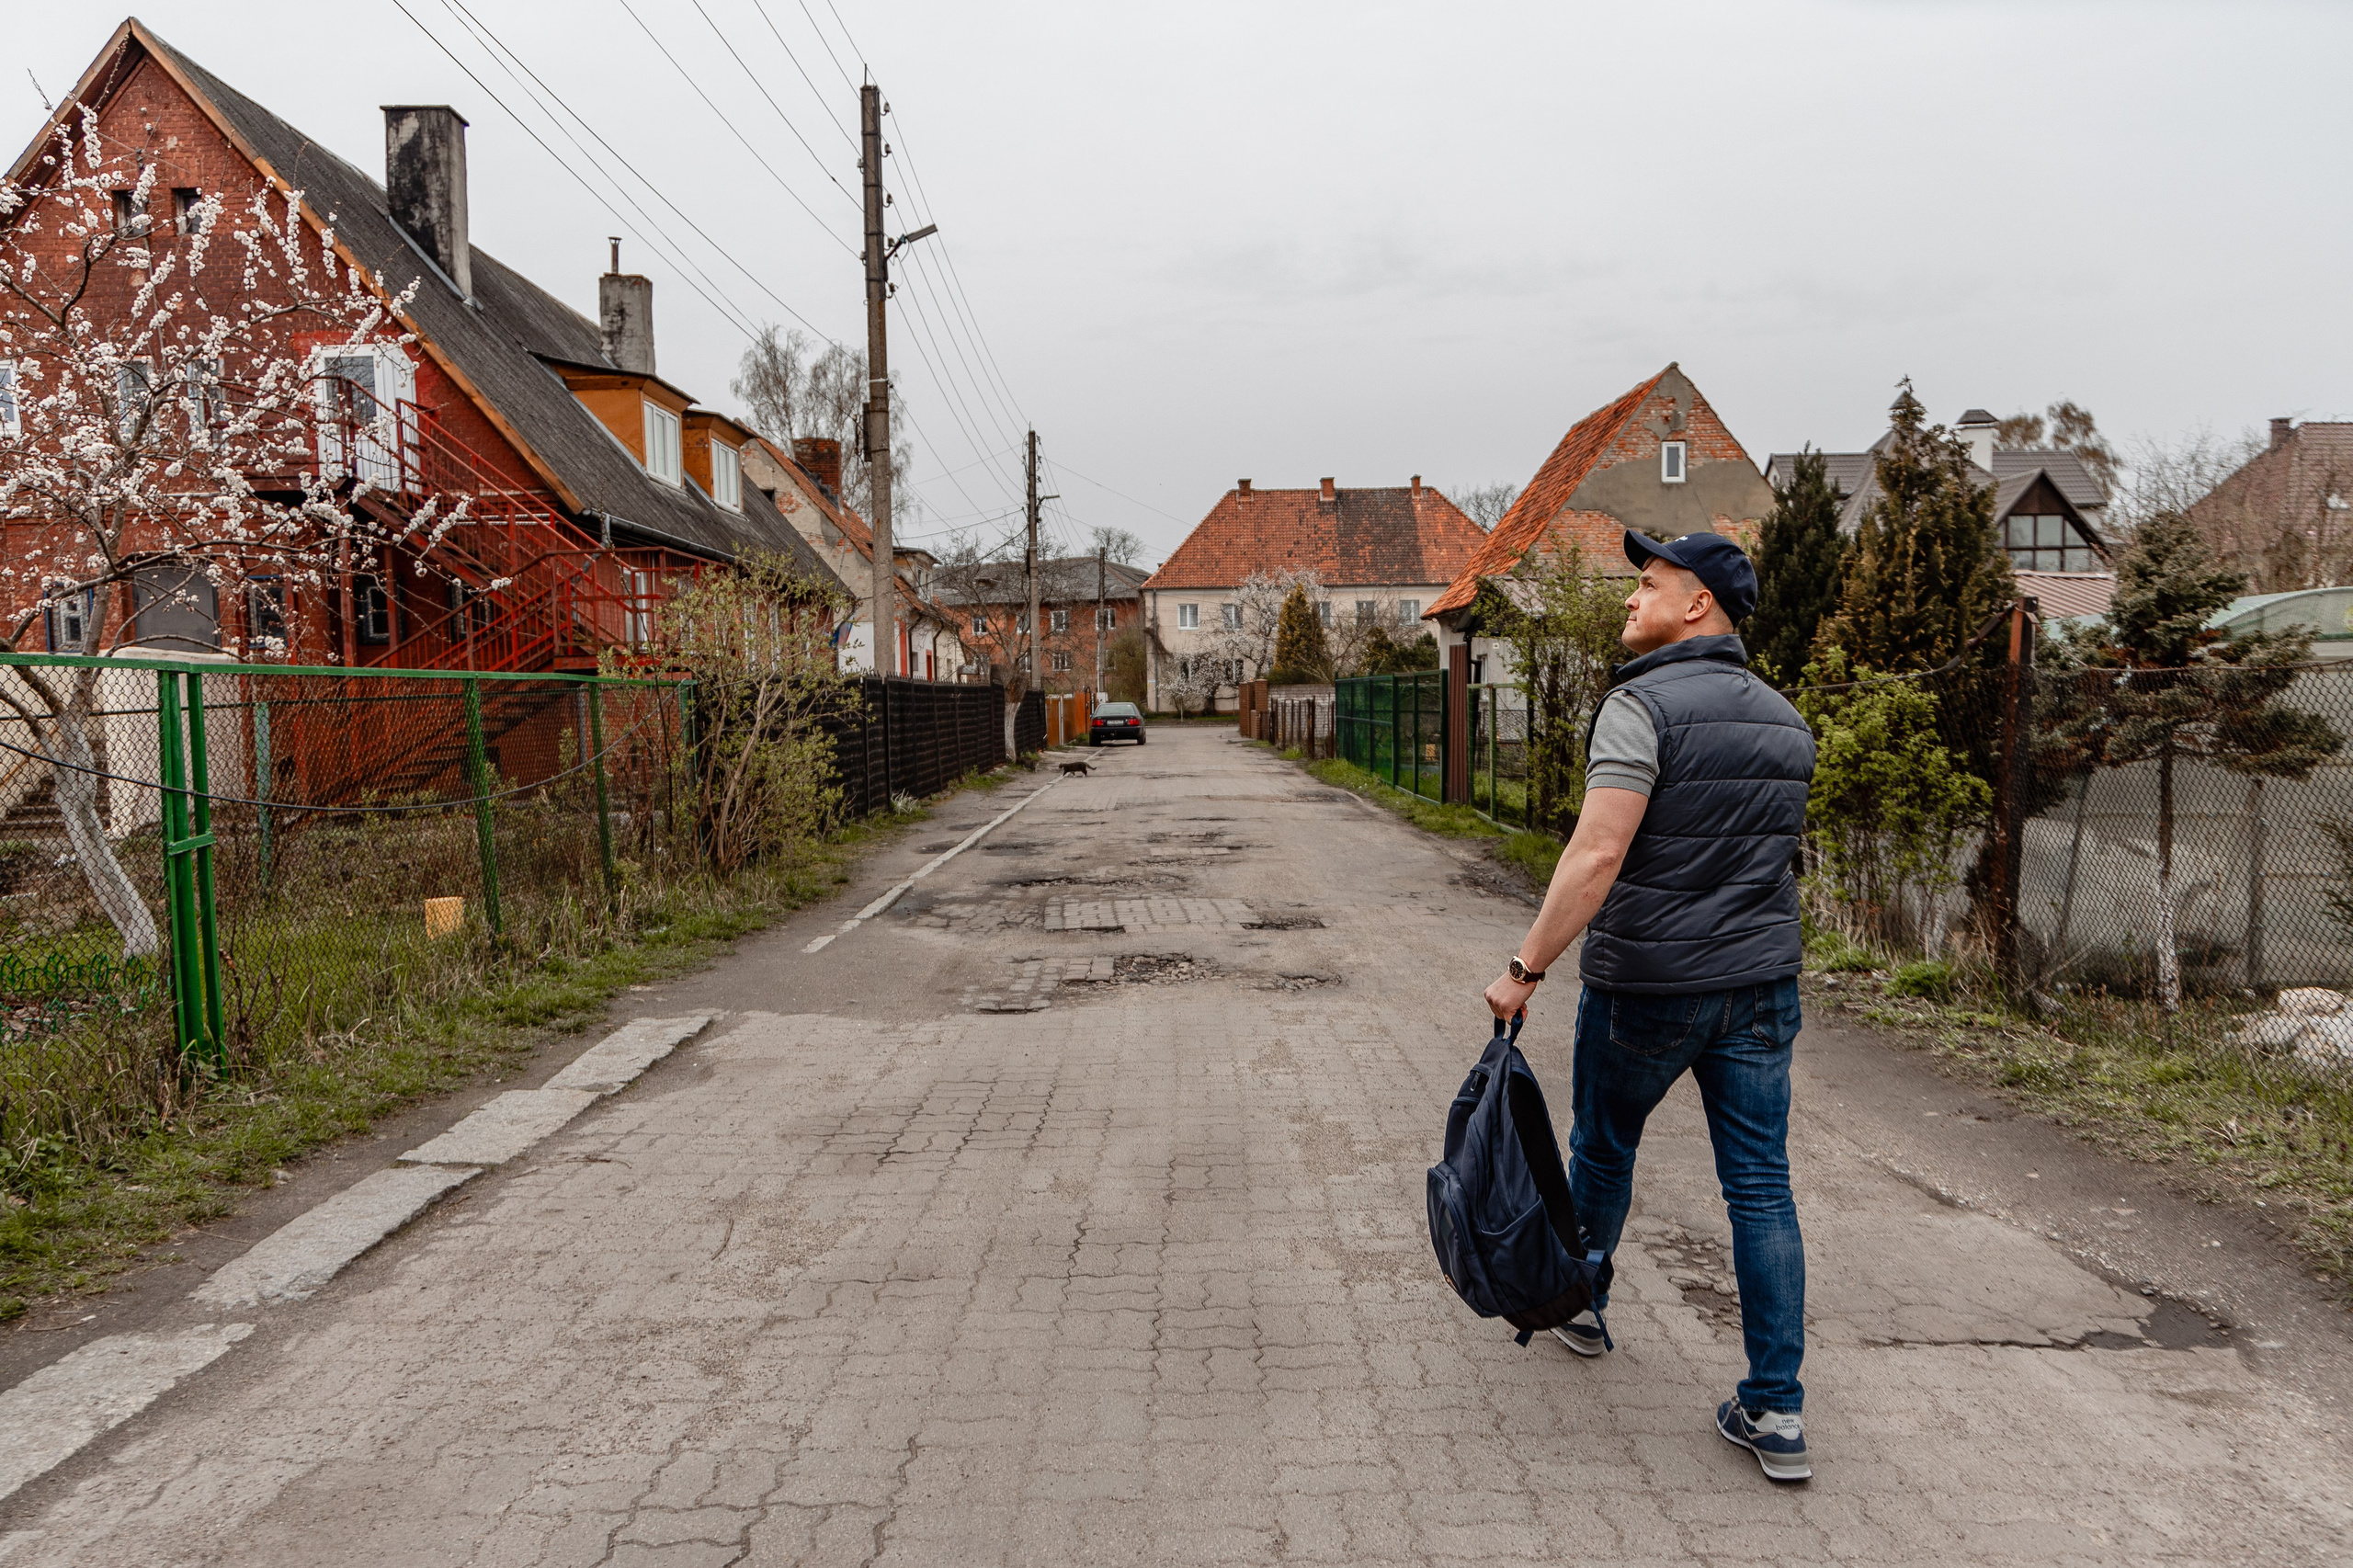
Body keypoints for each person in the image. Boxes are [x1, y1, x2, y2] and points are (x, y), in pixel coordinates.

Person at [1482, 529, 1818, 1483]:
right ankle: (1776, 1406)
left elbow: (1596, 855)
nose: (1630, 599)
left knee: (1602, 1145)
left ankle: (1581, 1300)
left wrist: (1526, 965)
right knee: (1759, 1183)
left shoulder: (1640, 707)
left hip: (1648, 988)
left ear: (1697, 603)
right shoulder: (1787, 719)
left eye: (1647, 584)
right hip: (1758, 985)